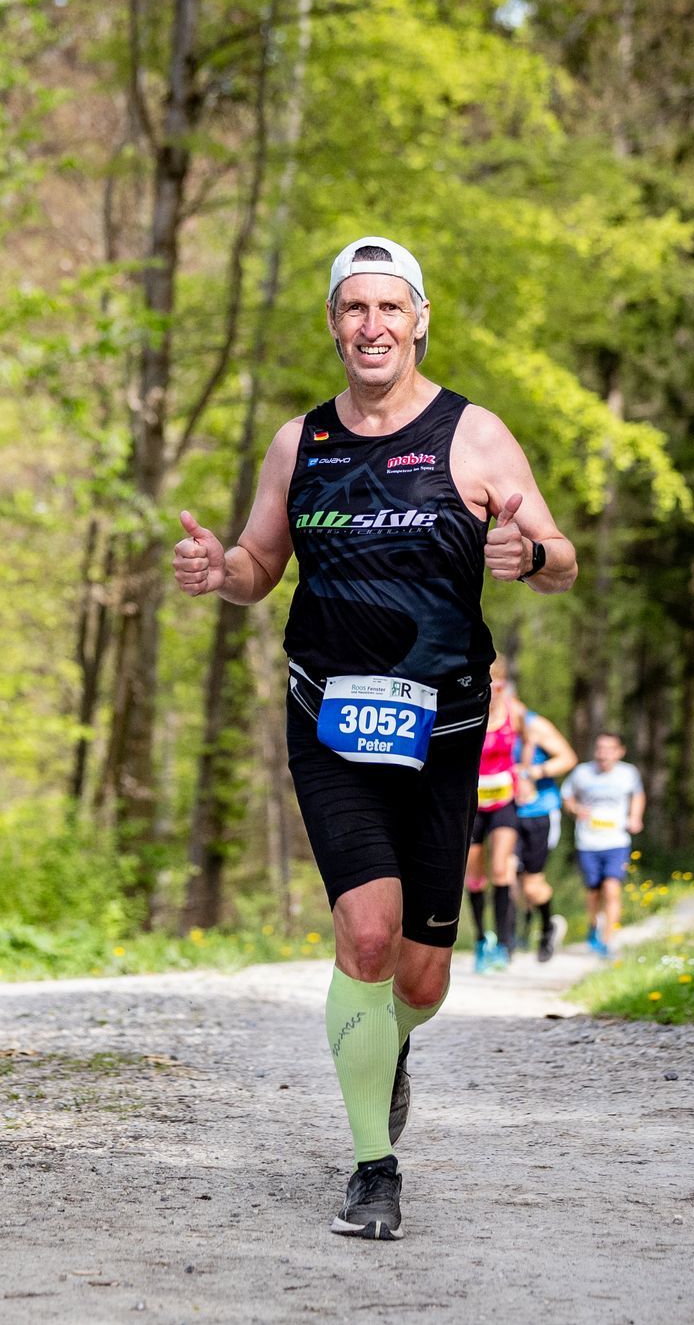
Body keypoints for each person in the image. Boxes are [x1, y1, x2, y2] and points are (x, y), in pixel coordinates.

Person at [171, 236, 576, 1241]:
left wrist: (525, 552)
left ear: (419, 318)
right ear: (332, 323)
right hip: (330, 721)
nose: (371, 325)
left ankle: (387, 1045)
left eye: (389, 307)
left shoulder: (473, 435)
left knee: (421, 976)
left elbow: (562, 557)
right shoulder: (294, 443)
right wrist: (217, 569)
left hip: (444, 730)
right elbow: (260, 563)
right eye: (353, 308)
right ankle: (371, 1166)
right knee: (362, 931)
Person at [562, 732, 645, 958]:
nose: (603, 753)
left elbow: (638, 795)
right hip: (588, 842)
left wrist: (635, 817)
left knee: (612, 888)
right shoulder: (582, 773)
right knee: (593, 892)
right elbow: (567, 796)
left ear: (620, 752)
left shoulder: (628, 773)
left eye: (609, 749)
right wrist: (576, 809)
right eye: (600, 748)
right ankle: (593, 927)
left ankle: (608, 940)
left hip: (616, 841)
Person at [465, 655, 524, 973]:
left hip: (504, 803)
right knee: (474, 877)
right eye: (487, 683)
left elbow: (537, 738)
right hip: (472, 804)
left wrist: (528, 772)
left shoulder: (515, 713)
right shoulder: (468, 711)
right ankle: (479, 941)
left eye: (498, 683)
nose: (493, 690)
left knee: (501, 870)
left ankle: (503, 943)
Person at [514, 702, 578, 961]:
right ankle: (515, 934)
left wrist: (534, 772)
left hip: (540, 810)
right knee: (508, 876)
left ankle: (547, 927)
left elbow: (568, 758)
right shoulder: (492, 721)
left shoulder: (534, 724)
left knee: (531, 884)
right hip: (507, 811)